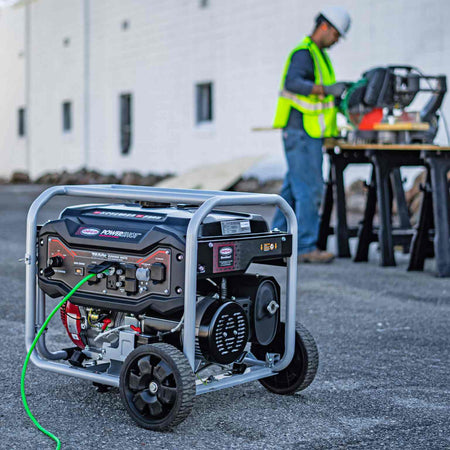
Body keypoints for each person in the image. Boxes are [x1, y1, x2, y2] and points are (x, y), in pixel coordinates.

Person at [272, 6, 351, 263]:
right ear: (325, 27)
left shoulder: (318, 55)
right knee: (309, 189)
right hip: (302, 133)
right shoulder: (304, 54)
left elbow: (322, 99)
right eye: (337, 35)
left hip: (306, 133)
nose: (337, 41)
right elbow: (292, 83)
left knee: (292, 191)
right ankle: (306, 246)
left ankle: (272, 240)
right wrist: (327, 89)